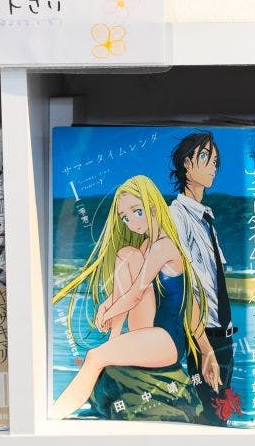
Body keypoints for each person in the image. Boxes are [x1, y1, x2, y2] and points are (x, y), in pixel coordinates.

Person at [51, 175, 220, 419]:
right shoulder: (146, 245)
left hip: (167, 340)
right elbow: (129, 289)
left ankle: (55, 415)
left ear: (153, 206)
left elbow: (141, 296)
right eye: (125, 218)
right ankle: (114, 338)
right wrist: (107, 305)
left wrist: (206, 350)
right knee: (127, 254)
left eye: (137, 211)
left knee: (94, 356)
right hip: (150, 329)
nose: (131, 223)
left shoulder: (164, 246)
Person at [168, 133, 237, 423]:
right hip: (204, 337)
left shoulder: (206, 217)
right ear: (186, 164)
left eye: (215, 161)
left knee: (221, 418)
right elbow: (185, 287)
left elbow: (212, 279)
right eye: (205, 158)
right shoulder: (177, 216)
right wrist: (205, 348)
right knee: (211, 420)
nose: (213, 167)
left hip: (224, 335)